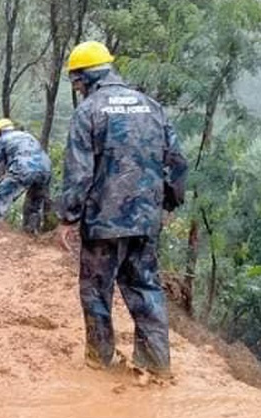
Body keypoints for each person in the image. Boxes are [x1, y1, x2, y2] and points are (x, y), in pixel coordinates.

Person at [57, 41, 188, 378]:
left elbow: (79, 172)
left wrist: (68, 217)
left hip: (103, 223)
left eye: (76, 81)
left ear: (84, 77)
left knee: (96, 290)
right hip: (146, 220)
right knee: (146, 289)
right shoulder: (152, 107)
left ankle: (100, 361)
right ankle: (157, 365)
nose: (77, 88)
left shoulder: (89, 111)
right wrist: (167, 204)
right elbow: (176, 162)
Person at [0, 119, 52, 235]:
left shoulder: (2, 140)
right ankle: (31, 234)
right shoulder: (27, 136)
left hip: (23, 168)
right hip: (46, 169)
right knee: (34, 205)